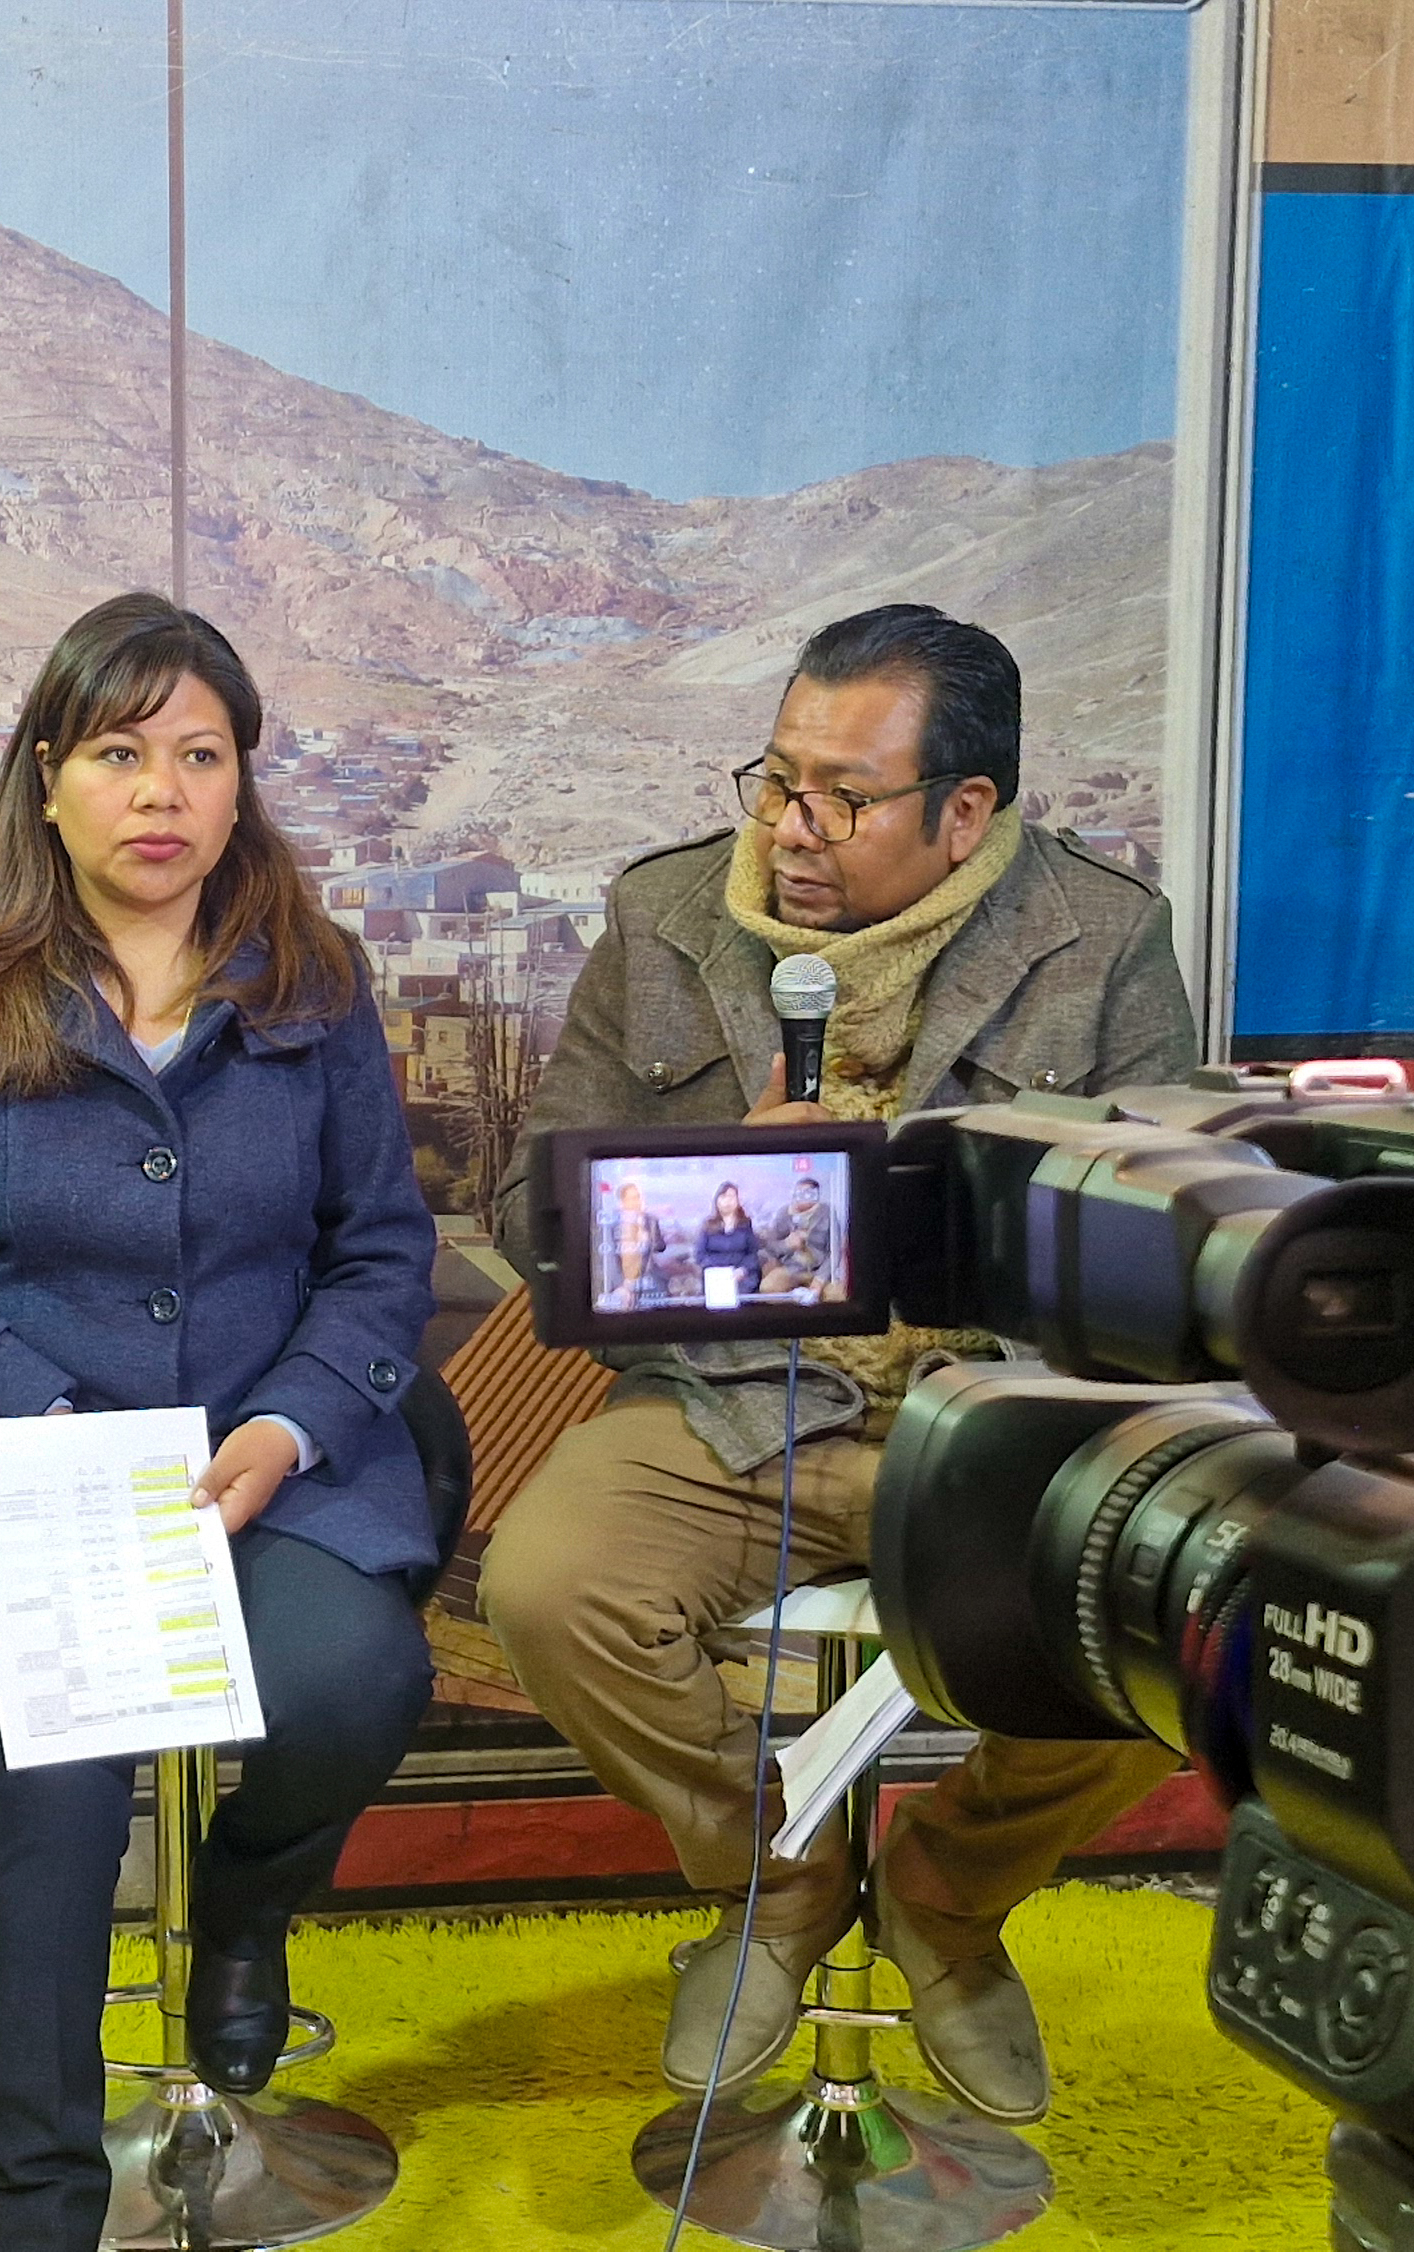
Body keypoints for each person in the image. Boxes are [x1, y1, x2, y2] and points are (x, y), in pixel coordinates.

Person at [481, 603, 1196, 2126]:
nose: (791, 828)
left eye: (843, 798)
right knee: (548, 1587)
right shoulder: (666, 917)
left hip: (993, 1423)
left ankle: (947, 1893)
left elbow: (1161, 1244)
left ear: (965, 810)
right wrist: (708, 1198)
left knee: (1196, 1607)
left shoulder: (1105, 937)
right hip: (732, 1403)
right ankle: (779, 1883)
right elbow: (530, 1213)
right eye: (778, 779)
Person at [0, 593, 439, 2252]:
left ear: (240, 784)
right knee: (57, 1815)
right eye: (118, 753)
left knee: (359, 1680)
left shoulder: (315, 984)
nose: (161, 791)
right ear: (48, 775)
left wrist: (291, 1427)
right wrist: (45, 1412)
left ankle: (240, 1907)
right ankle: (29, 2214)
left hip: (269, 1474)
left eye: (200, 755)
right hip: (45, 1490)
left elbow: (381, 1253)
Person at [759, 1171, 844, 1301]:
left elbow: (835, 1252)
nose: (803, 1197)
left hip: (818, 1270)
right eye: (799, 1193)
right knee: (768, 1287)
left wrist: (820, 1279)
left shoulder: (827, 1213)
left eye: (808, 1193)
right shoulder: (784, 1213)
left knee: (837, 1295)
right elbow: (771, 1247)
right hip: (791, 1269)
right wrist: (787, 1244)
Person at [694, 1180, 763, 1304]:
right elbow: (700, 1255)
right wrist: (719, 1272)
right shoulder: (708, 1225)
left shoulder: (745, 1224)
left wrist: (742, 1270)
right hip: (715, 1276)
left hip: (741, 1275)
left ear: (737, 1201)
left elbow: (753, 1254)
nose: (727, 1201)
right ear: (717, 1201)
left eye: (731, 1197)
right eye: (723, 1197)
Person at [607, 1178, 663, 1307]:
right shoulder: (613, 1223)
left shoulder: (650, 1220)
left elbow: (661, 1246)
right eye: (631, 1198)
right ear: (622, 1202)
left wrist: (648, 1238)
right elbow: (610, 1258)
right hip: (621, 1280)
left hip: (648, 1277)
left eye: (638, 1197)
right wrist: (621, 1284)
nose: (636, 1202)